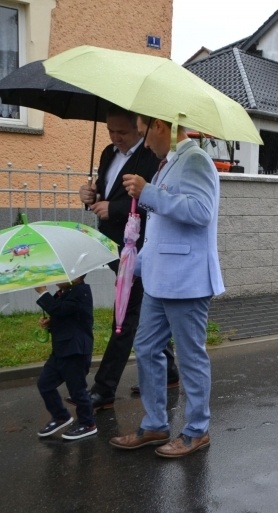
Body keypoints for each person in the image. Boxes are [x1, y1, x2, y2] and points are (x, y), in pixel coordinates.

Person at [110, 114, 224, 458]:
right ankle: (156, 423)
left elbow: (201, 211)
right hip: (160, 278)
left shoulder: (196, 160)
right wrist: (137, 265)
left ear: (161, 126)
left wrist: (150, 193)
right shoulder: (167, 164)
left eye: (145, 133)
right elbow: (161, 227)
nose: (144, 143)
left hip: (187, 281)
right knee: (145, 349)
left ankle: (196, 430)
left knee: (190, 359)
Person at [77, 105, 179, 411]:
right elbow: (106, 192)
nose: (115, 137)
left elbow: (154, 205)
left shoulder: (153, 158)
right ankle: (169, 369)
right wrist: (91, 196)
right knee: (139, 305)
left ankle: (104, 388)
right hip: (110, 242)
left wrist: (115, 209)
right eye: (110, 131)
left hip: (138, 247)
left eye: (122, 132)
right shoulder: (108, 152)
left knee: (126, 312)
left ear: (139, 128)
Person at [34, 275, 97, 440]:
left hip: (75, 351)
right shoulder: (64, 293)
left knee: (77, 391)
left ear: (76, 277)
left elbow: (60, 310)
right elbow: (62, 314)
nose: (56, 277)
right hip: (61, 350)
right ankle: (60, 415)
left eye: (61, 274)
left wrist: (42, 293)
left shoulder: (81, 292)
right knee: (45, 384)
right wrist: (51, 323)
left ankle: (88, 424)